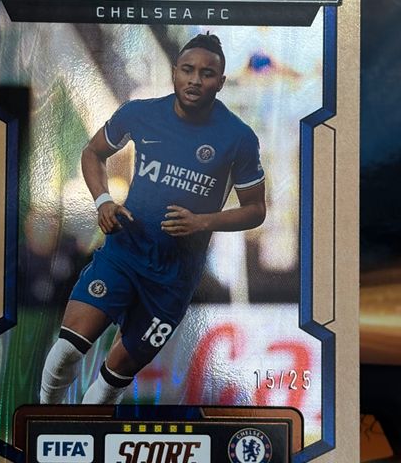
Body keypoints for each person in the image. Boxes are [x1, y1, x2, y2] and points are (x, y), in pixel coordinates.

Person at [39, 33, 266, 405]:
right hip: (124, 253)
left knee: (115, 374)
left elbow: (256, 210)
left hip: (173, 279)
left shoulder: (239, 138)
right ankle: (44, 418)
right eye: (188, 70)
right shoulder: (140, 114)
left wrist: (202, 222)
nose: (195, 80)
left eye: (207, 73)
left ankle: (85, 429)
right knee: (67, 350)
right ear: (175, 72)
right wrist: (103, 201)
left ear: (221, 82)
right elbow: (93, 152)